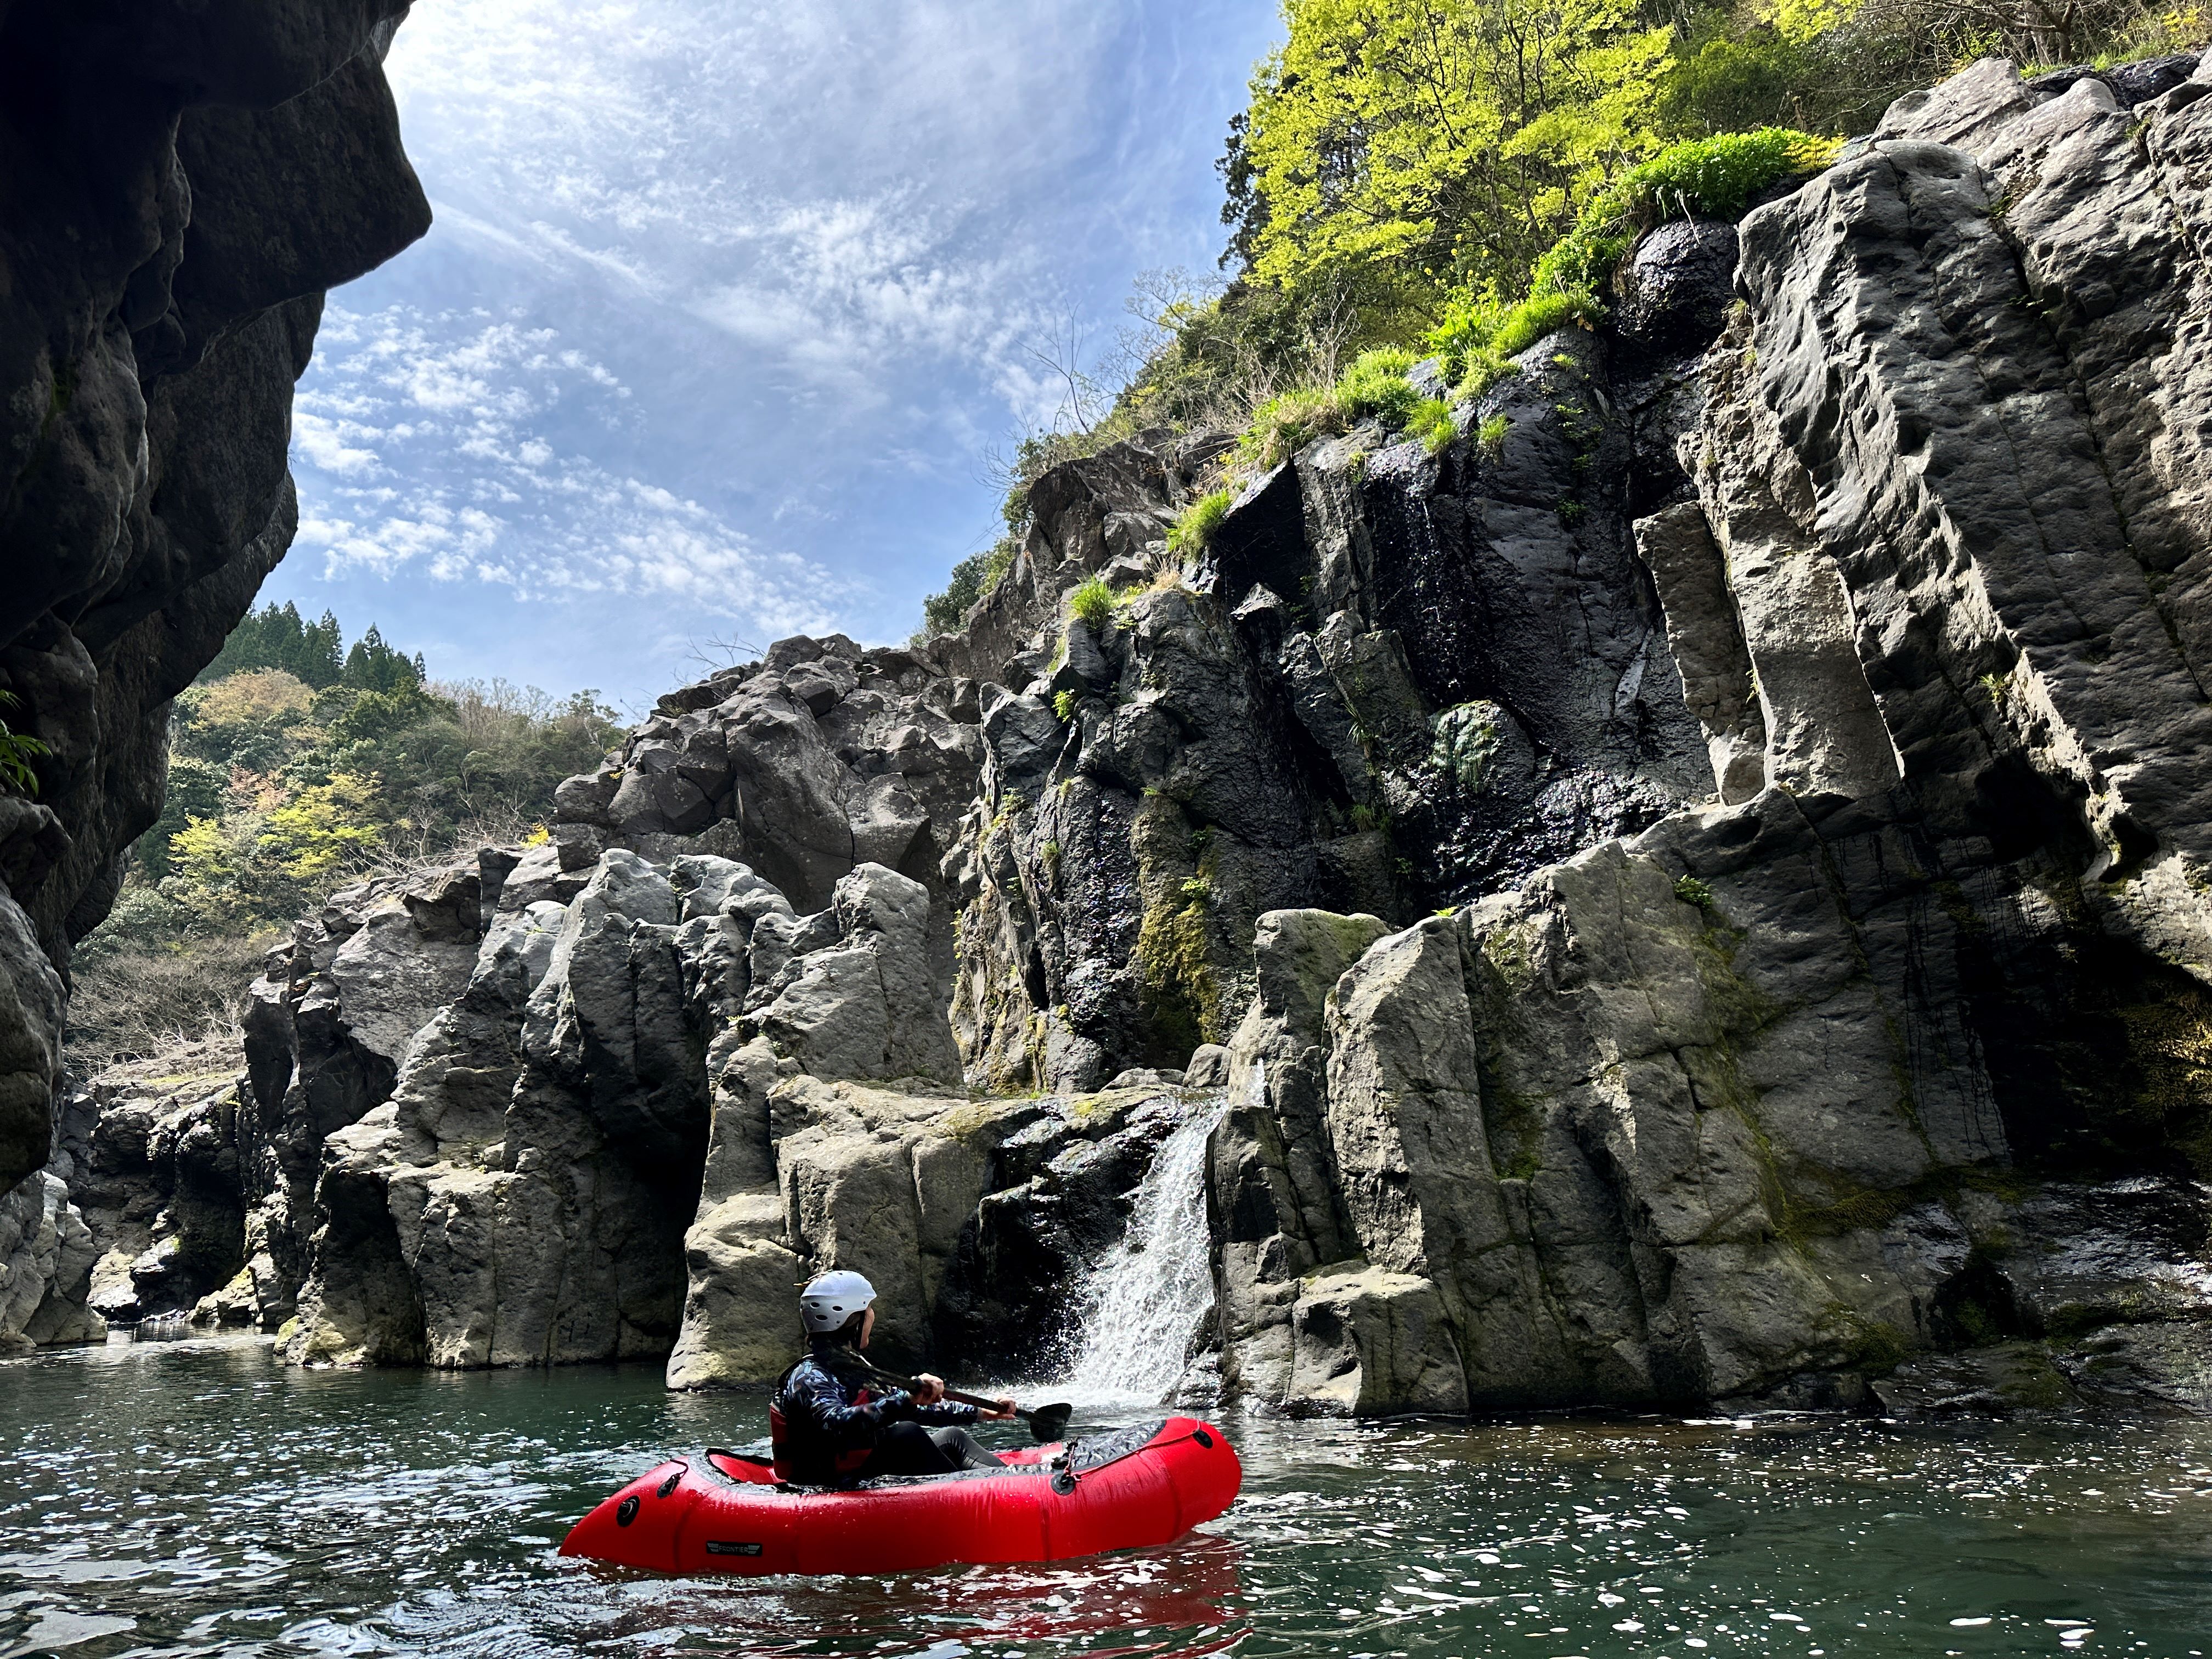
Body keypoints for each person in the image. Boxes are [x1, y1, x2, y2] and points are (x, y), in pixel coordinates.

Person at [770, 1270, 1019, 1484]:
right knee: (906, 1435)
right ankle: (981, 1499)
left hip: (857, 1469)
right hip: (827, 1484)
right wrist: (905, 1399)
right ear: (851, 1319)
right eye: (868, 1310)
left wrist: (982, 1412)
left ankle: (1015, 1484)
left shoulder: (852, 1368)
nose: (872, 1316)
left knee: (952, 1437)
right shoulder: (809, 1376)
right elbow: (839, 1423)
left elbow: (912, 1408)